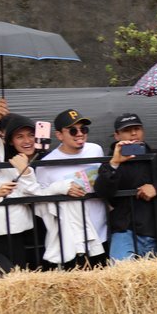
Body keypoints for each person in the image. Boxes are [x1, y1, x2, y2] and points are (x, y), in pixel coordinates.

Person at [94, 113, 157, 262]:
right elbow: (102, 191)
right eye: (127, 130)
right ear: (117, 135)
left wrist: (156, 187)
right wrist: (114, 163)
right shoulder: (110, 161)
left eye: (137, 128)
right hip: (124, 229)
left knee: (153, 282)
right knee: (123, 277)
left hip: (154, 229)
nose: (133, 133)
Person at [34, 109, 109, 268]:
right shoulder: (46, 165)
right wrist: (60, 188)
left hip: (102, 233)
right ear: (59, 135)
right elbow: (39, 202)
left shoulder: (96, 150)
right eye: (73, 130)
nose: (80, 134)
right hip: (74, 240)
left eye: (84, 129)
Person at [0, 114, 42, 269]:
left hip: (18, 235)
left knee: (18, 276)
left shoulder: (10, 168)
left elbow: (32, 196)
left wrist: (26, 173)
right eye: (19, 136)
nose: (27, 140)